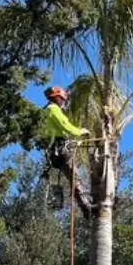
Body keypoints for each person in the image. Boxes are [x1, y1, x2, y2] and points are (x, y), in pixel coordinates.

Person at [40, 86, 92, 216]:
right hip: (60, 149)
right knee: (75, 177)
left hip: (53, 152)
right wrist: (81, 132)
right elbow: (65, 125)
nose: (64, 103)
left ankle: (84, 205)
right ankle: (85, 205)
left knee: (72, 176)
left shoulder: (45, 111)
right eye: (63, 100)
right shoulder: (53, 109)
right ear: (57, 98)